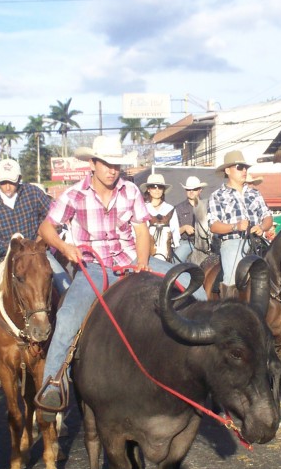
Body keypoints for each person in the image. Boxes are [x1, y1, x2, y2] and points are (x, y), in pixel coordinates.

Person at [36, 135, 202, 414]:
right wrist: (65, 247)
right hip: (94, 267)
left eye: (116, 164)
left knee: (194, 285)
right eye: (106, 164)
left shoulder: (130, 190)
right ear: (93, 163)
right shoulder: (75, 194)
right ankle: (53, 383)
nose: (112, 170)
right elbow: (46, 228)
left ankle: (203, 364)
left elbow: (141, 230)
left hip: (132, 261)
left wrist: (144, 261)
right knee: (67, 317)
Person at [0, 158, 68, 387]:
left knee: (67, 288)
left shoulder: (33, 194)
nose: (7, 186)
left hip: (39, 255)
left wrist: (41, 241)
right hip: (8, 259)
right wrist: (12, 247)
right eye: (3, 182)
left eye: (11, 182)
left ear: (19, 180)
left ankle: (72, 345)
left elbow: (53, 216)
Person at [207, 151, 273, 297]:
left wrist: (262, 227)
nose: (244, 171)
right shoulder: (217, 195)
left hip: (258, 241)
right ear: (227, 170)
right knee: (231, 279)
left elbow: (268, 217)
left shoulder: (255, 193)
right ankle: (230, 311)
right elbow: (213, 225)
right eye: (239, 167)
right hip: (233, 242)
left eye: (245, 167)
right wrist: (235, 226)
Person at [141, 173, 180, 262]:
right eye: (153, 187)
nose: (157, 190)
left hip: (166, 252)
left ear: (163, 190)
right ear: (148, 189)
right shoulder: (142, 208)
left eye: (160, 187)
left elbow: (175, 231)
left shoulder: (170, 209)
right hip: (146, 251)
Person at [172, 175, 210, 264]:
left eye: (195, 189)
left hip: (206, 243)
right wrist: (184, 228)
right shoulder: (178, 208)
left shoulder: (208, 206)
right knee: (175, 262)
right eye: (188, 189)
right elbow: (172, 232)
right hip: (186, 242)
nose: (191, 191)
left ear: (200, 190)